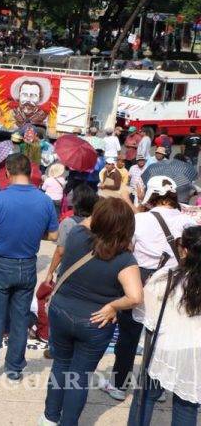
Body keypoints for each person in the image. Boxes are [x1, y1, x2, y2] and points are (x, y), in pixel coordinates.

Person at [40, 198, 143, 426]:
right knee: (79, 377)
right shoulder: (125, 259)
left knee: (60, 366)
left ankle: (49, 418)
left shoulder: (77, 235)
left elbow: (89, 221)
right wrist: (114, 306)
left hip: (61, 311)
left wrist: (109, 207)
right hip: (95, 322)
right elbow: (135, 297)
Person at [0, 153, 58, 382]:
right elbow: (54, 234)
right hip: (27, 265)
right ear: (30, 172)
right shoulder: (44, 200)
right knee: (20, 317)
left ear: (7, 173)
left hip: (0, 263)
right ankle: (14, 368)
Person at [103, 175, 196, 401]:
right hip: (174, 281)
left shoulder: (141, 220)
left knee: (128, 335)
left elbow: (128, 247)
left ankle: (118, 384)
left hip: (141, 278)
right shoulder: (186, 222)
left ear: (151, 196)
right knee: (161, 336)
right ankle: (157, 387)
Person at [127, 225, 201, 426]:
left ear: (184, 250)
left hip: (163, 349)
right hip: (196, 355)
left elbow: (144, 315)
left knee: (145, 398)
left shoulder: (166, 276)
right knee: (187, 406)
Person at [43, 185, 99, 285]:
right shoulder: (97, 222)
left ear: (75, 203)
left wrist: (50, 273)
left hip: (69, 270)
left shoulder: (68, 223)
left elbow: (60, 252)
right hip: (91, 272)